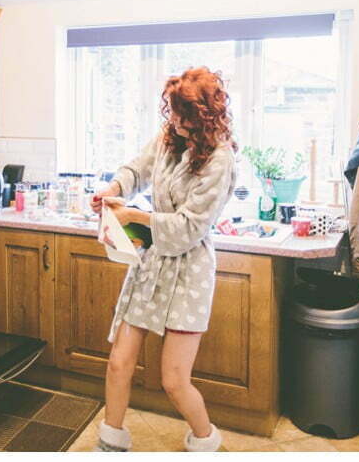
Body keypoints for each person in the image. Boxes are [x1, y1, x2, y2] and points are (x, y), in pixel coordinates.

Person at [90, 67, 237, 452]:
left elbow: (190, 227)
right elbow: (136, 169)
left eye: (181, 114)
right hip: (153, 262)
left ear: (204, 116)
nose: (173, 120)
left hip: (190, 271)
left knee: (174, 380)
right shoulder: (169, 138)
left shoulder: (220, 160)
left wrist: (135, 217)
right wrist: (112, 188)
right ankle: (111, 444)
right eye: (171, 111)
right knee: (119, 361)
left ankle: (206, 442)